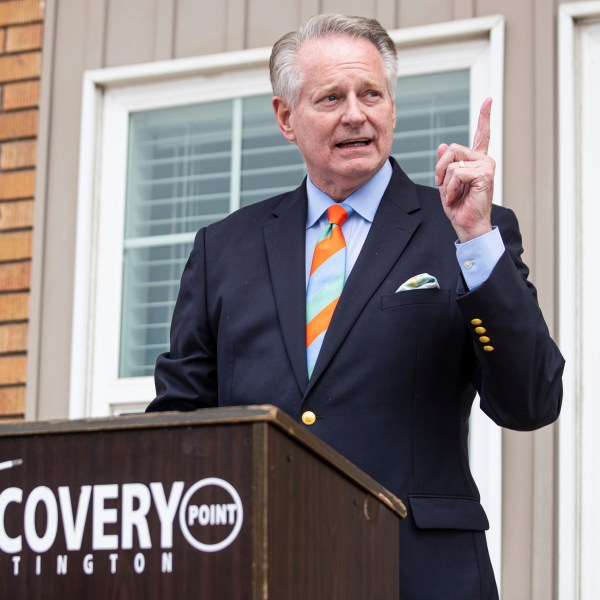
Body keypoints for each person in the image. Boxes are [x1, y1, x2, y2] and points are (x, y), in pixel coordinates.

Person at [147, 13, 564, 599]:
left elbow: (533, 401)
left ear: (392, 107)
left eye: (372, 94)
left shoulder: (464, 230)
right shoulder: (224, 249)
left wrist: (475, 241)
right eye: (331, 97)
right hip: (262, 573)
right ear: (286, 118)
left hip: (419, 575)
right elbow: (177, 423)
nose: (355, 114)